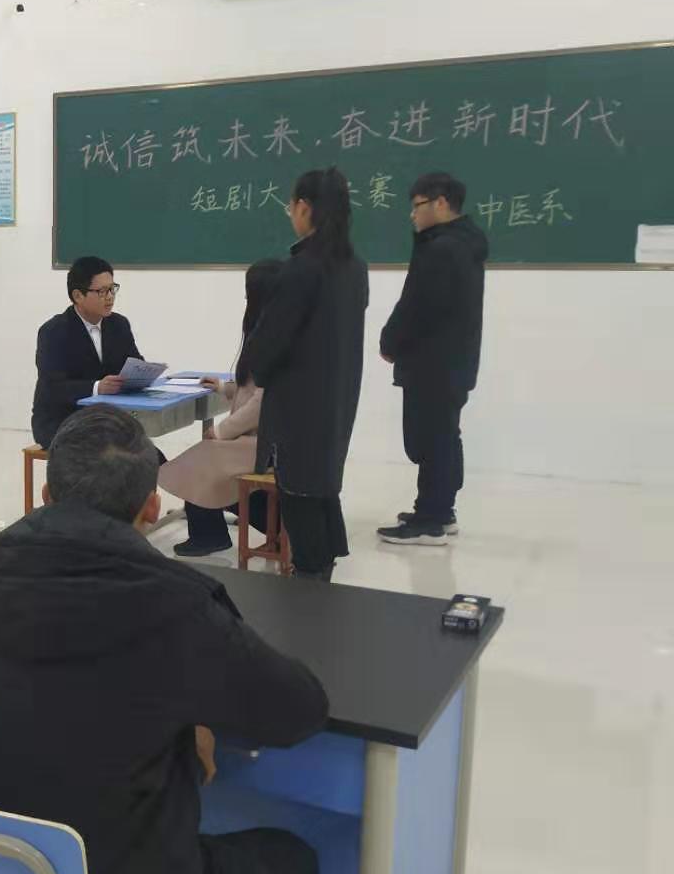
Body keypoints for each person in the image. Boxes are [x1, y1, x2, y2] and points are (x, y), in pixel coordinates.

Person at [0, 405, 330, 874]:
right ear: (152, 507)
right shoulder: (177, 606)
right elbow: (297, 710)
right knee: (288, 863)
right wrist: (191, 708)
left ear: (47, 495)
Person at [240, 168, 369, 581]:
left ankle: (311, 592)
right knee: (323, 489)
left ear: (305, 207)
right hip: (337, 401)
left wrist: (257, 366)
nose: (290, 214)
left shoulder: (302, 268)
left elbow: (268, 344)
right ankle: (321, 577)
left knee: (299, 499)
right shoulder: (354, 268)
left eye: (291, 205)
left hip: (297, 409)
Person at [32, 255, 201, 548]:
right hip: (62, 422)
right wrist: (97, 386)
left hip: (107, 422)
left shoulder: (118, 325)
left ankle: (199, 527)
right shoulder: (54, 331)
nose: (110, 297)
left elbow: (134, 362)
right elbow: (53, 387)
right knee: (118, 459)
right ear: (78, 295)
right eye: (102, 291)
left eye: (113, 289)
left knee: (149, 458)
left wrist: (142, 375)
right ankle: (98, 526)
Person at [377, 172, 488, 546]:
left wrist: (390, 340)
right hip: (452, 363)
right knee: (444, 436)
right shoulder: (464, 244)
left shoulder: (442, 249)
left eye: (417, 206)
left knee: (430, 440)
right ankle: (440, 510)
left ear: (441, 203)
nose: (413, 214)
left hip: (433, 364)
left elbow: (417, 305)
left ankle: (430, 520)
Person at [158, 259, 282, 556]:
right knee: (209, 459)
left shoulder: (272, 335)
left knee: (201, 459)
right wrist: (225, 388)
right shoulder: (273, 330)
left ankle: (209, 536)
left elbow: (264, 402)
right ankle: (265, 528)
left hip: (265, 442)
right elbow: (254, 389)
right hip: (260, 439)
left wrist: (222, 431)